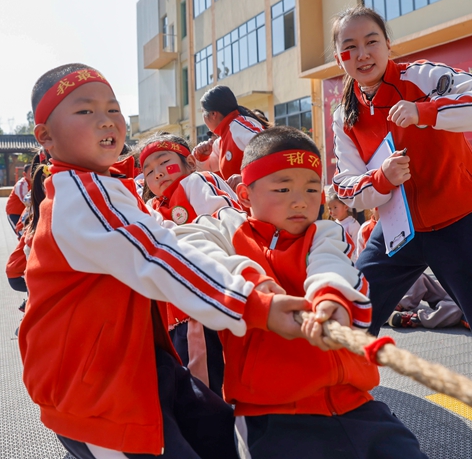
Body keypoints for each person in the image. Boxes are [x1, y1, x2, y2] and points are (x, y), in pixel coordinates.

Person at [18, 63, 309, 459]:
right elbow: (157, 254)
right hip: (97, 394)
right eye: (85, 110)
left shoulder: (110, 186)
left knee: (226, 434)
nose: (106, 120)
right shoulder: (81, 195)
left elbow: (170, 237)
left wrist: (246, 275)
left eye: (113, 109)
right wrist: (251, 302)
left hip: (141, 364)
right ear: (45, 136)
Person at [328, 5, 472, 458]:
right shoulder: (345, 114)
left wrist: (426, 111)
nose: (362, 54)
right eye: (349, 47)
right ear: (339, 58)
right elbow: (346, 184)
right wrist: (381, 179)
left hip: (461, 222)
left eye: (371, 41)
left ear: (388, 44)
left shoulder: (424, 77)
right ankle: (334, 422)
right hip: (396, 229)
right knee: (351, 318)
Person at [175, 127, 428, 459]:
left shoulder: (325, 233)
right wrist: (257, 292)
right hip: (270, 417)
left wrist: (331, 298)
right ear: (245, 194)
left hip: (357, 405)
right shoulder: (225, 230)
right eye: (282, 188)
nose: (300, 201)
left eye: (311, 189)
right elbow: (187, 248)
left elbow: (330, 265)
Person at [139, 132, 240, 397]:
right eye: (149, 171)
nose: (158, 173)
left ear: (190, 163)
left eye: (165, 162)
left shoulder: (197, 181)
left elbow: (227, 221)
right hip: (176, 313)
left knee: (212, 387)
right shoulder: (150, 206)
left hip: (211, 297)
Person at [192, 85, 266, 184]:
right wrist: (202, 157)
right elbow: (208, 170)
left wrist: (246, 178)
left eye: (203, 111)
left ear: (213, 114)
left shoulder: (238, 126)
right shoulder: (223, 138)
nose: (203, 117)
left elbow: (271, 151)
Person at [326, 189, 361, 259]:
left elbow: (357, 248)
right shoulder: (333, 224)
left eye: (335, 207)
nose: (332, 211)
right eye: (330, 208)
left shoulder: (353, 225)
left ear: (346, 207)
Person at [6, 164, 31, 236]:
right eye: (31, 172)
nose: (34, 173)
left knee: (29, 236)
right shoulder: (21, 184)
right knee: (22, 235)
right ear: (24, 174)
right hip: (14, 213)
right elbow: (26, 202)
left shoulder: (36, 182)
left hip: (26, 213)